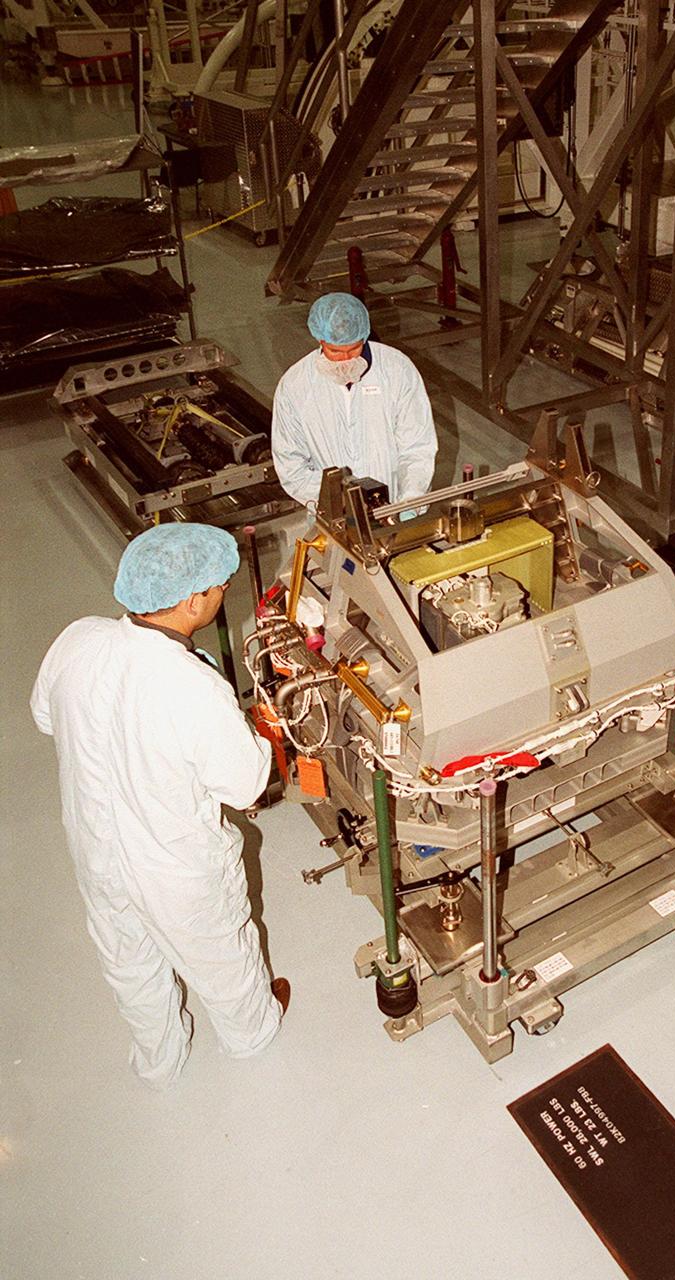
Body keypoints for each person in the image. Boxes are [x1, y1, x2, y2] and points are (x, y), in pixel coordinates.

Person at [30, 524, 288, 1089]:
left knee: (129, 961)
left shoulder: (77, 639)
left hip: (96, 852)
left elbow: (46, 717)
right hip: (176, 866)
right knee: (222, 958)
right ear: (194, 600)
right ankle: (252, 1038)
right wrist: (264, 732)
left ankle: (159, 1059)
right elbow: (246, 786)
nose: (224, 593)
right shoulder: (191, 685)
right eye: (220, 587)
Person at [272, 291, 438, 511]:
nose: (346, 360)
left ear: (365, 335)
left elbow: (417, 447)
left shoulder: (397, 369)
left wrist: (409, 502)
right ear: (320, 340)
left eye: (354, 349)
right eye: (335, 351)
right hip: (333, 514)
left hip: (394, 507)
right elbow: (291, 464)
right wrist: (337, 504)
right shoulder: (295, 385)